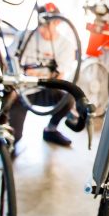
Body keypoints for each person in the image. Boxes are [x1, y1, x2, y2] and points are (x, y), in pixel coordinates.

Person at [10, 17, 79, 147]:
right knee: (14, 138)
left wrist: (35, 74)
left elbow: (59, 78)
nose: (43, 29)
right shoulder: (24, 37)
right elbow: (8, 63)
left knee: (68, 99)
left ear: (57, 22)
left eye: (48, 25)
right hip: (19, 92)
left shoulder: (65, 45)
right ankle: (4, 125)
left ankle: (51, 130)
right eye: (41, 24)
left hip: (43, 90)